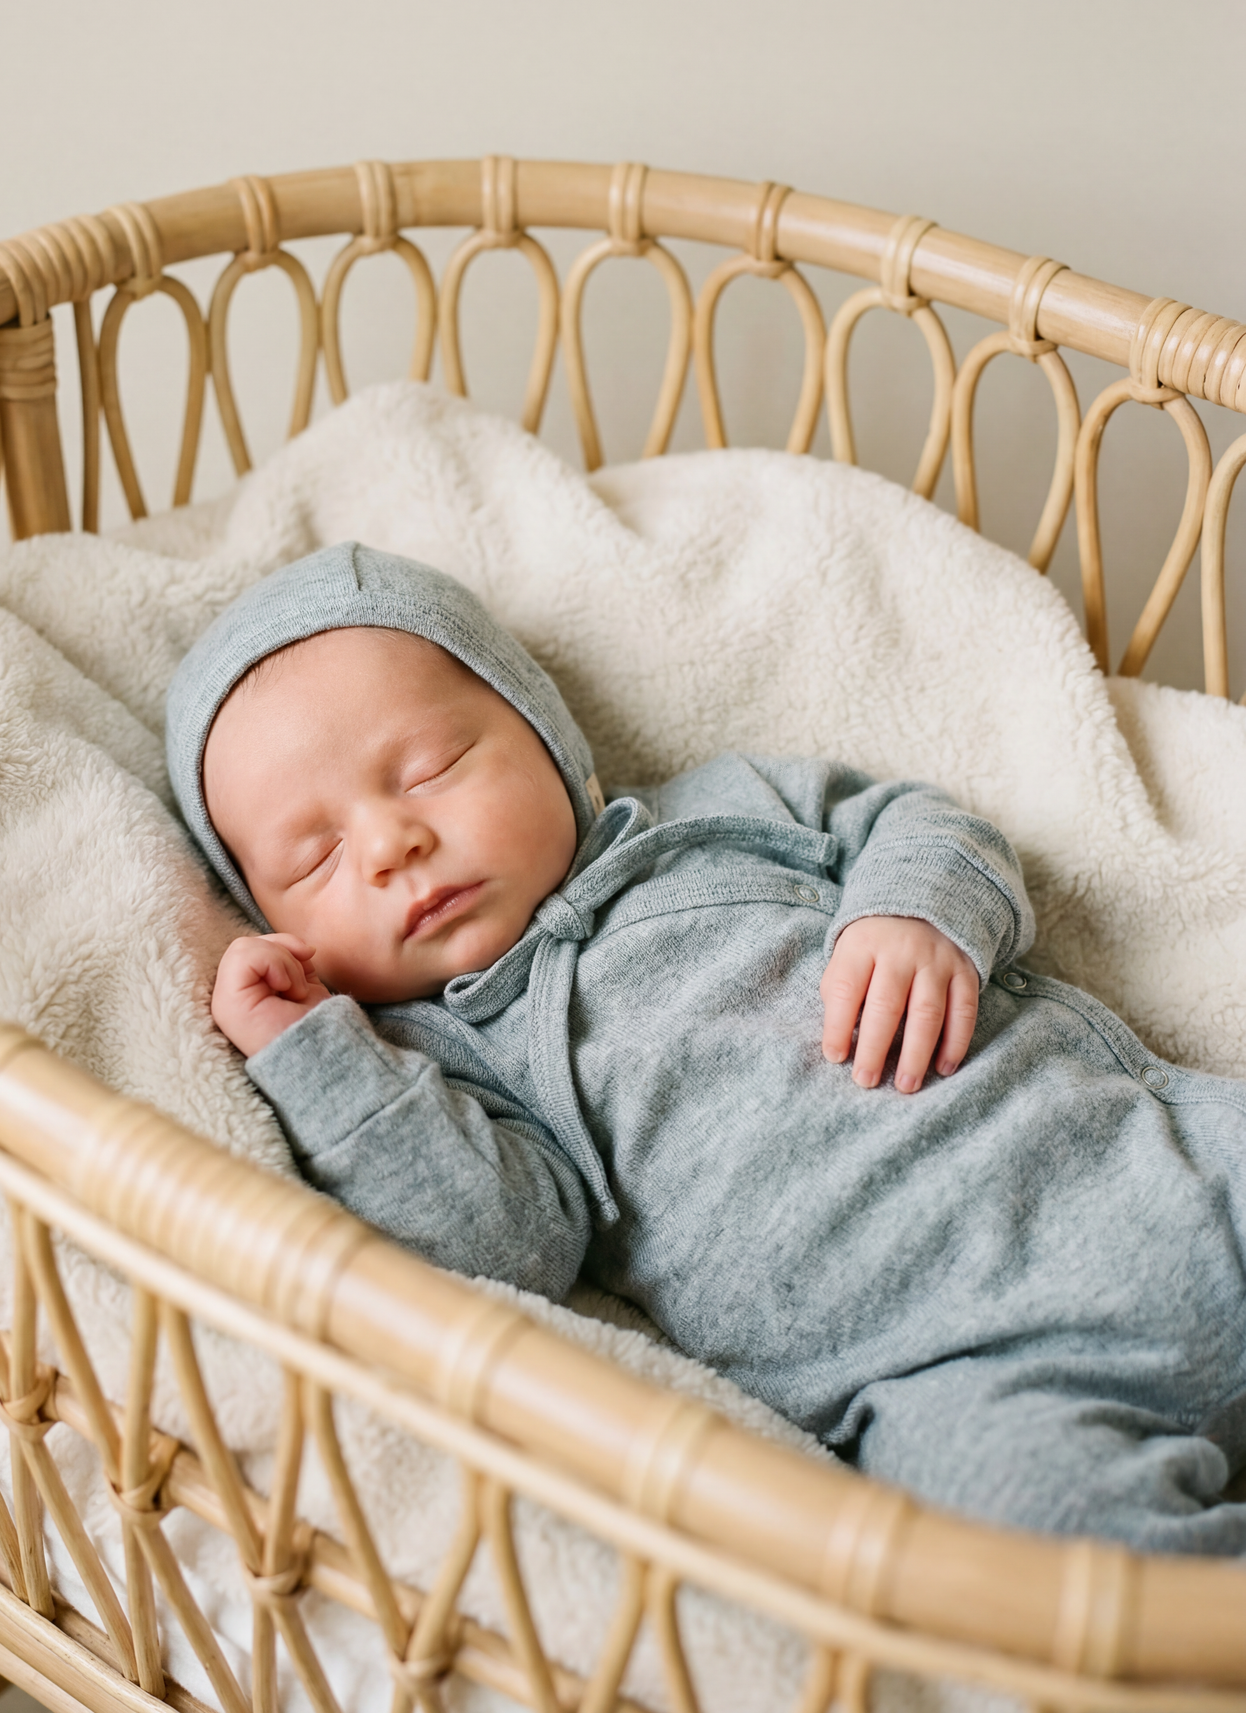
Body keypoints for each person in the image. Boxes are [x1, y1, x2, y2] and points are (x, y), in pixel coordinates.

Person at [167, 542, 1246, 1553]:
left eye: (431, 767)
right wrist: (311, 1054)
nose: (392, 843)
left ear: (549, 743)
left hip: (1149, 1166)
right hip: (963, 1377)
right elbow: (503, 1252)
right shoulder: (437, 1064)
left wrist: (912, 912)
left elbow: (919, 823)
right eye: (315, 859)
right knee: (1035, 1572)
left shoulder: (720, 809)